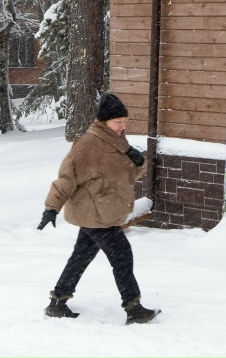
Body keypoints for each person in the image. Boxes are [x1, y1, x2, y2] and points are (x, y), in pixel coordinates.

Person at [37, 92, 160, 325]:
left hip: (103, 211)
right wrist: (51, 207)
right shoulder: (87, 146)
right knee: (122, 257)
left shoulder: (116, 141)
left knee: (81, 257)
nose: (123, 126)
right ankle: (133, 308)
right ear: (104, 121)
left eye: (124, 121)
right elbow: (66, 178)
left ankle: (57, 302)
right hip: (96, 213)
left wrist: (138, 162)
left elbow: (126, 176)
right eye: (118, 122)